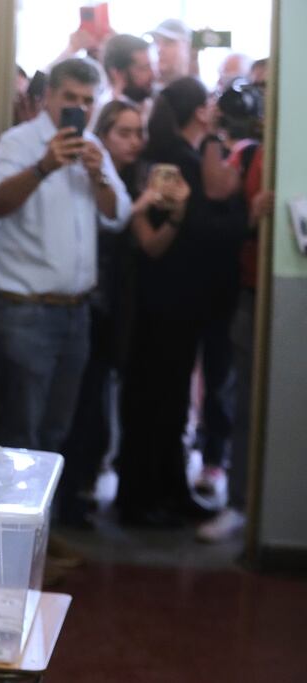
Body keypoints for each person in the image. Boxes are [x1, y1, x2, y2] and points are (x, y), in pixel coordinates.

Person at [0, 57, 131, 453]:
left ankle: (48, 516)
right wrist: (44, 166)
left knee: (56, 433)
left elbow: (119, 214)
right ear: (48, 96)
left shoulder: (93, 148)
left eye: (87, 100)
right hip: (23, 310)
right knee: (20, 433)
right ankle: (13, 517)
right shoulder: (18, 143)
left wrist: (98, 175)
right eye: (70, 98)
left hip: (76, 313)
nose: (79, 109)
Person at [115, 77, 246, 528]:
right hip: (169, 301)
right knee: (158, 402)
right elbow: (204, 230)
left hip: (163, 299)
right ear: (199, 110)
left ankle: (162, 490)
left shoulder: (169, 157)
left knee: (161, 402)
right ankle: (145, 496)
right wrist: (249, 213)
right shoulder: (180, 162)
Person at [58, 100, 146, 527]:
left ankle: (82, 487)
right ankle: (70, 497)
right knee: (81, 409)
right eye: (123, 132)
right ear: (103, 134)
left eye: (138, 132)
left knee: (97, 405)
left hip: (115, 313)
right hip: (87, 307)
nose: (133, 141)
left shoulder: (125, 177)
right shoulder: (84, 170)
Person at [198, 76, 273, 543]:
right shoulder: (251, 154)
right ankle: (240, 502)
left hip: (266, 293)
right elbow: (221, 207)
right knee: (242, 399)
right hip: (246, 290)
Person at [98, 34, 155, 122]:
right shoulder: (103, 115)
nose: (153, 74)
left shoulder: (148, 105)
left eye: (152, 66)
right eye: (143, 69)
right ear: (117, 73)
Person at [149, 18, 193, 86]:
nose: (159, 50)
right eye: (156, 42)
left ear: (187, 48)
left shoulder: (199, 93)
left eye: (168, 42)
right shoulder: (143, 91)